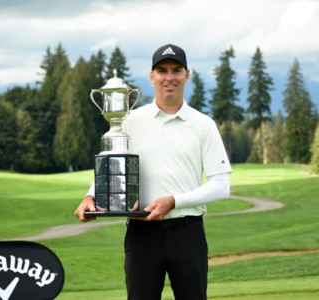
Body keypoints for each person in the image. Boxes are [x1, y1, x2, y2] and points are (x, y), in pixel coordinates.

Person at [75, 44, 232, 300]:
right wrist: (91, 196)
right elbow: (113, 166)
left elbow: (221, 186)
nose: (169, 77)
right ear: (152, 76)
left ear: (186, 74)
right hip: (142, 235)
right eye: (162, 70)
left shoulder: (203, 125)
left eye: (176, 70)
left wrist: (173, 201)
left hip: (187, 233)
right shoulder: (130, 120)